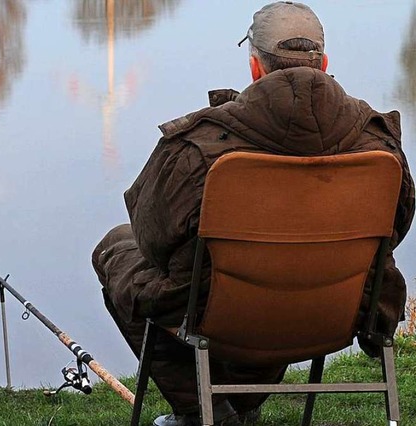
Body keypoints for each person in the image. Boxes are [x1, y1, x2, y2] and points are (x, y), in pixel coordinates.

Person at [92, 2, 415, 425]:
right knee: (282, 270)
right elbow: (397, 228)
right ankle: (236, 406)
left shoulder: (198, 147)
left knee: (119, 248)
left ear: (255, 68)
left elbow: (152, 240)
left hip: (223, 316)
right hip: (340, 313)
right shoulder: (380, 146)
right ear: (325, 63)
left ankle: (202, 410)